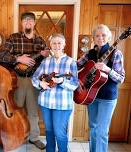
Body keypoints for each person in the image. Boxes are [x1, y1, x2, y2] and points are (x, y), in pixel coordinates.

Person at [0, 12, 48, 150]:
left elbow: (46, 62)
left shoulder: (40, 41)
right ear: (21, 23)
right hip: (16, 80)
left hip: (34, 80)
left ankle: (34, 137)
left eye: (30, 20)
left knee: (32, 112)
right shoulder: (14, 38)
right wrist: (18, 59)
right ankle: (16, 136)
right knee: (16, 110)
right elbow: (2, 55)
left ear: (34, 23)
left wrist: (45, 55)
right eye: (25, 20)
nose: (28, 23)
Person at [77, 24, 125, 152]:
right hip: (91, 96)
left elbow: (120, 78)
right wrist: (77, 78)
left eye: (103, 35)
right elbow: (75, 66)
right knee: (93, 128)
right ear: (93, 38)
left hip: (107, 97)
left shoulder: (116, 53)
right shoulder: (90, 53)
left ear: (109, 37)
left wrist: (107, 69)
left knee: (102, 131)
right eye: (97, 35)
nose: (100, 38)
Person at [31, 34, 79, 152]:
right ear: (50, 45)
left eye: (59, 43)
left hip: (62, 104)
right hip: (46, 102)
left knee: (59, 132)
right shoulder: (46, 62)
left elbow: (75, 84)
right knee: (49, 131)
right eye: (54, 43)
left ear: (64, 45)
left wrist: (62, 81)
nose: (56, 46)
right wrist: (40, 84)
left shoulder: (70, 62)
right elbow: (34, 78)